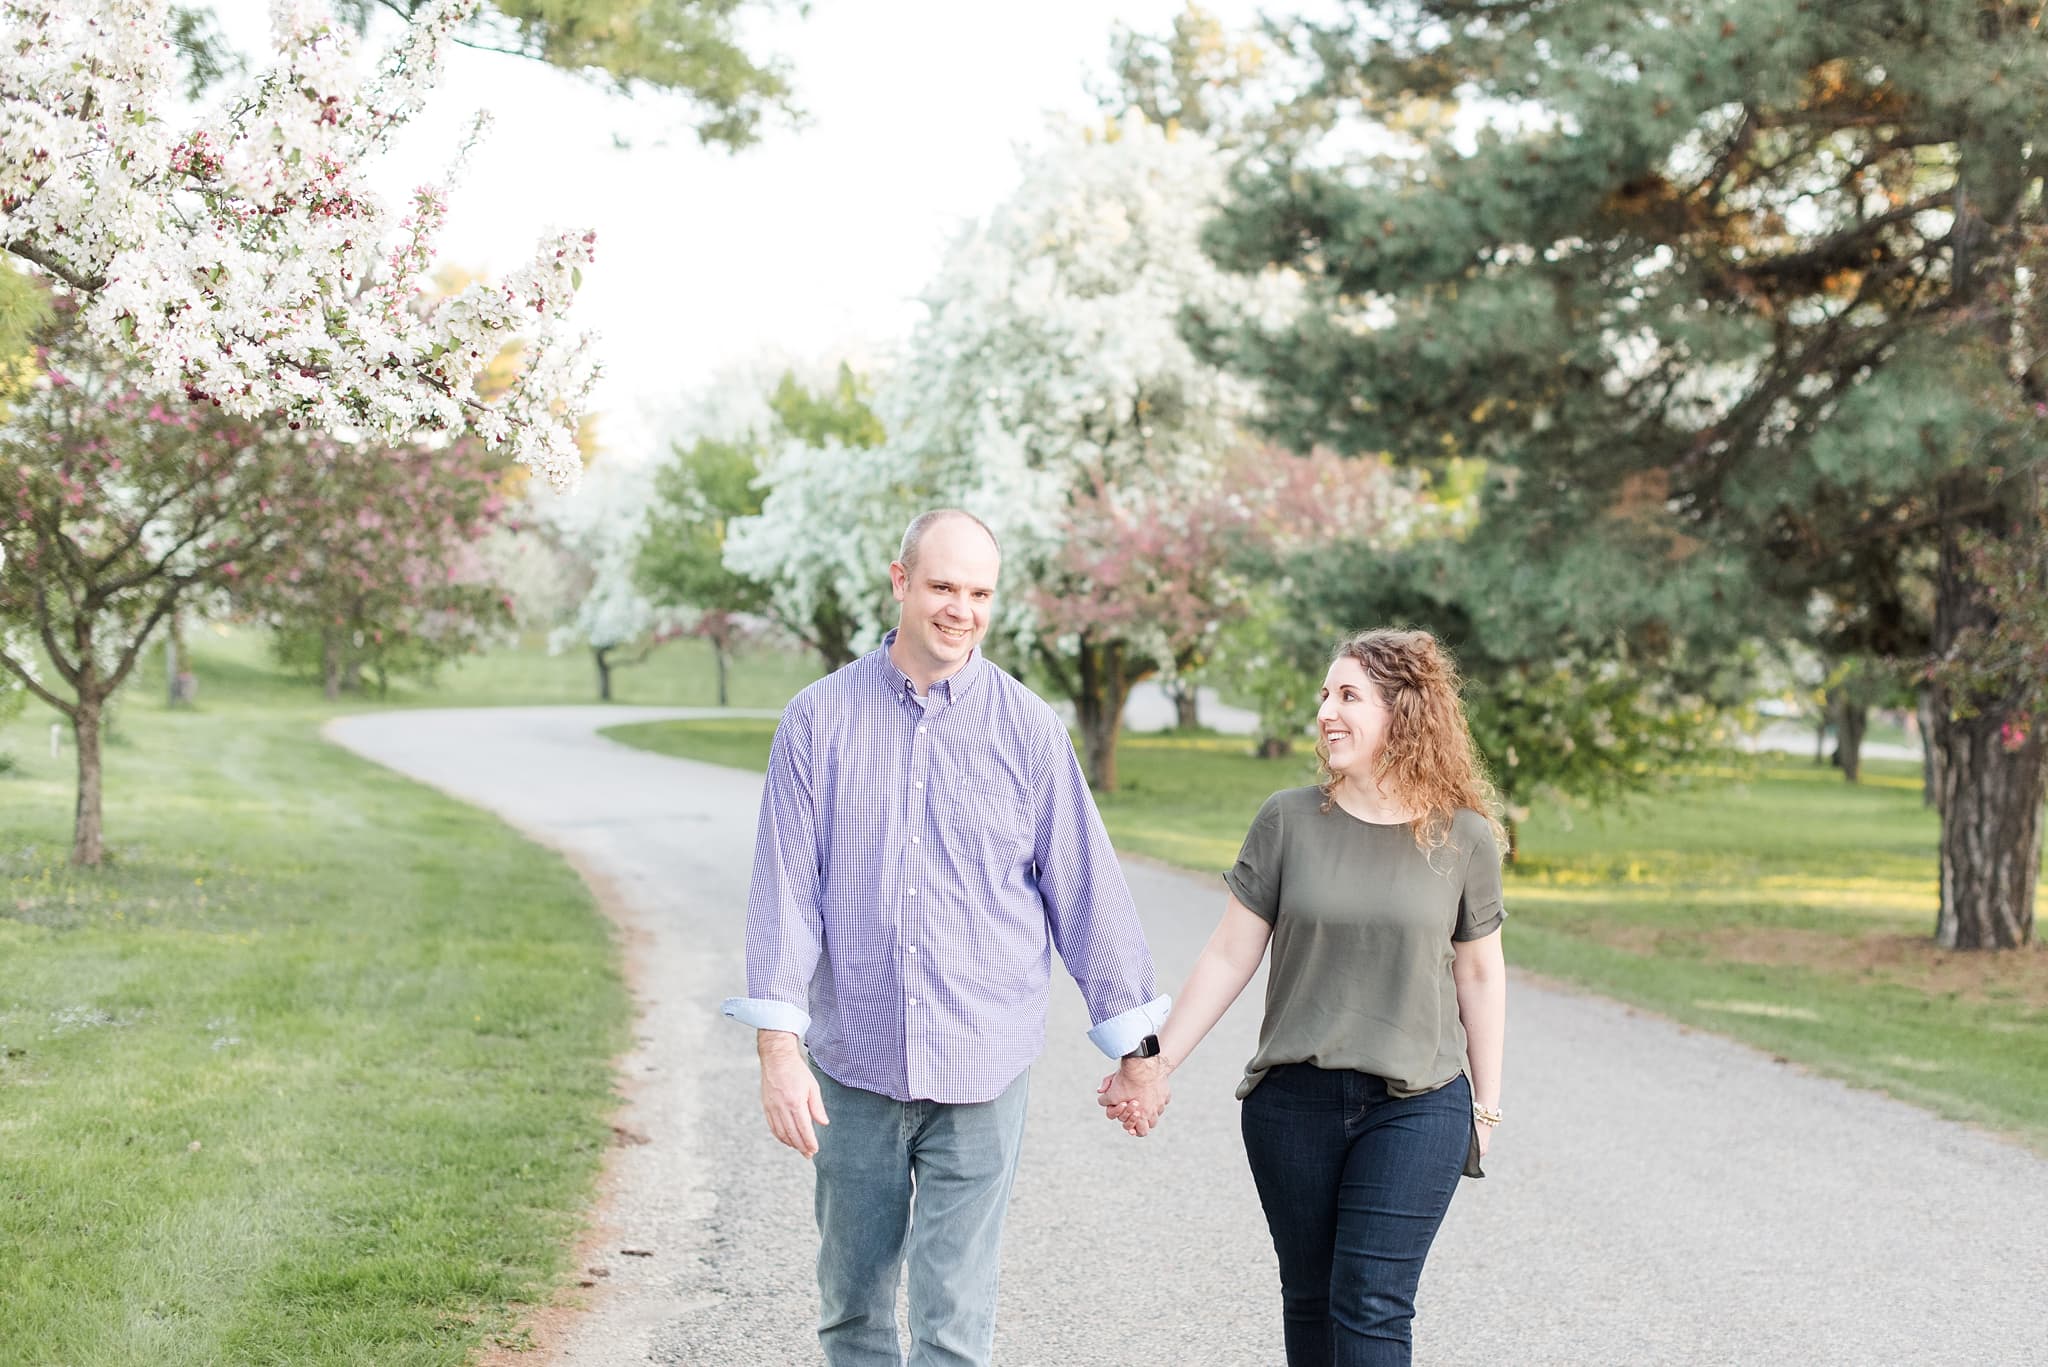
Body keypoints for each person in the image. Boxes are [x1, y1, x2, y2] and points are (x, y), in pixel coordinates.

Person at [721, 508, 1170, 1367]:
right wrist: (778, 1049)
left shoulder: (1028, 729)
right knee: (851, 1309)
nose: (960, 609)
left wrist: (1139, 1050)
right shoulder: (816, 722)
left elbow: (1087, 891)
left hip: (982, 1064)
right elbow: (784, 895)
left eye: (979, 592)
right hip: (854, 1066)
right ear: (899, 580)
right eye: (942, 586)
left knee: (955, 1323)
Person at [1101, 627, 1508, 1367]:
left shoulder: (1465, 838)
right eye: (1326, 693)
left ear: (1403, 713)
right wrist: (1154, 1063)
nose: (1327, 711)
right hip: (1293, 1105)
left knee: (1372, 1302)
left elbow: (1480, 973)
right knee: (1312, 1301)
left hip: (1418, 1101)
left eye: (1349, 695)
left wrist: (1486, 1104)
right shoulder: (1288, 820)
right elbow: (1229, 953)